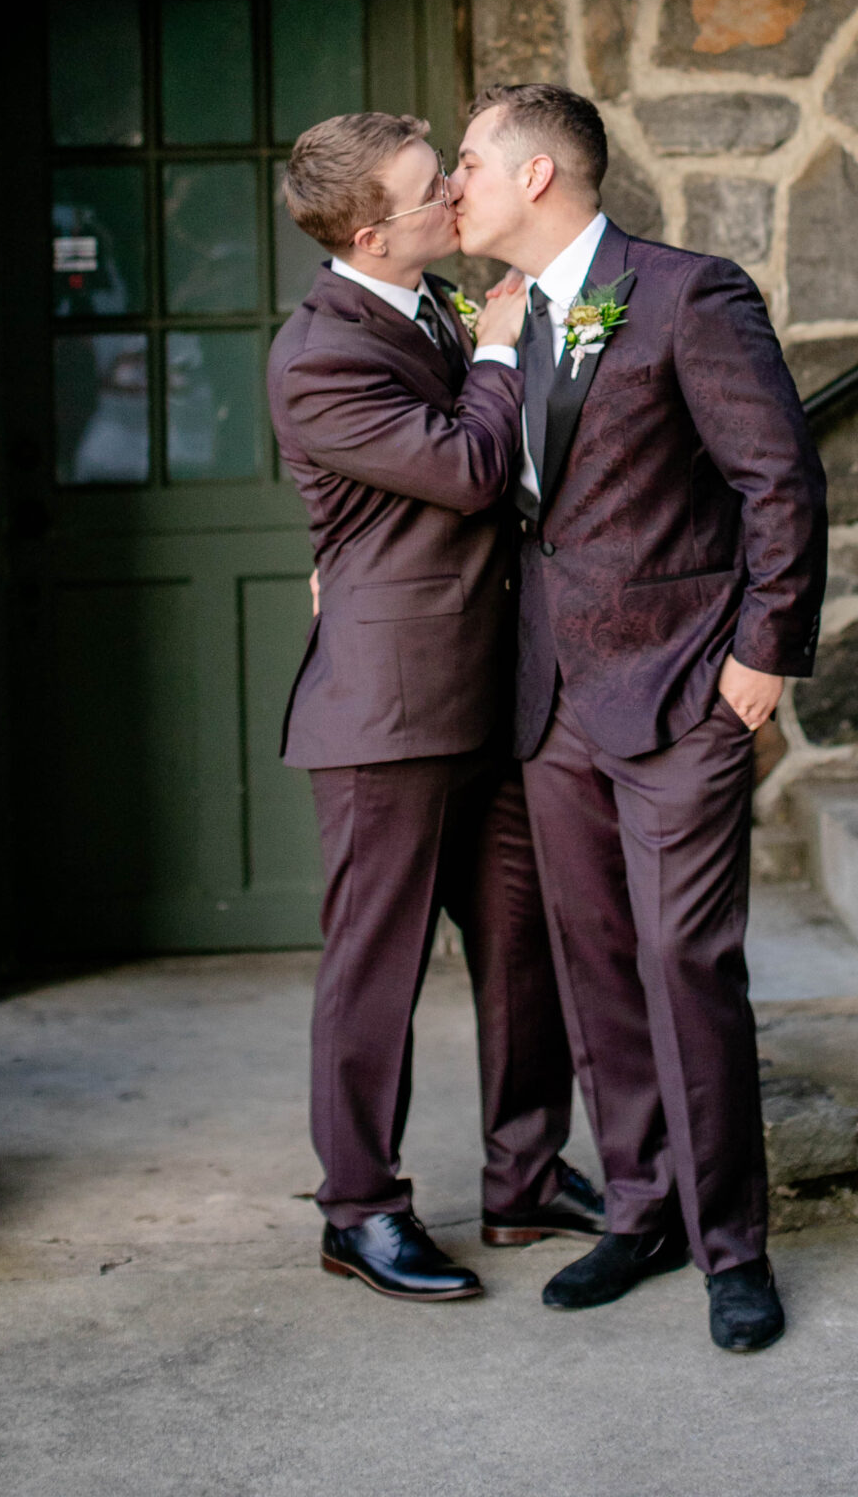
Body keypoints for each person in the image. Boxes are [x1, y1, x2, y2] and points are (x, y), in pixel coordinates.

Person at [448, 83, 826, 1354]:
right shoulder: (502, 317)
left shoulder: (684, 294)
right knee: (595, 966)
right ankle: (643, 1206)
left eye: (470, 164)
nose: (457, 185)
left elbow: (779, 476)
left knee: (685, 964)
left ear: (540, 175)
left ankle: (734, 1245)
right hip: (553, 698)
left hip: (680, 691)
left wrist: (763, 654)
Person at [267, 110, 601, 1305]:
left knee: (521, 943)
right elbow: (465, 469)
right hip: (386, 709)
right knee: (378, 968)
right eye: (429, 193)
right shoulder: (316, 355)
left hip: (493, 689)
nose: (451, 202)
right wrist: (506, 354)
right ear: (372, 231)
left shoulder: (438, 306)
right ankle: (359, 1208)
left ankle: (524, 1176)